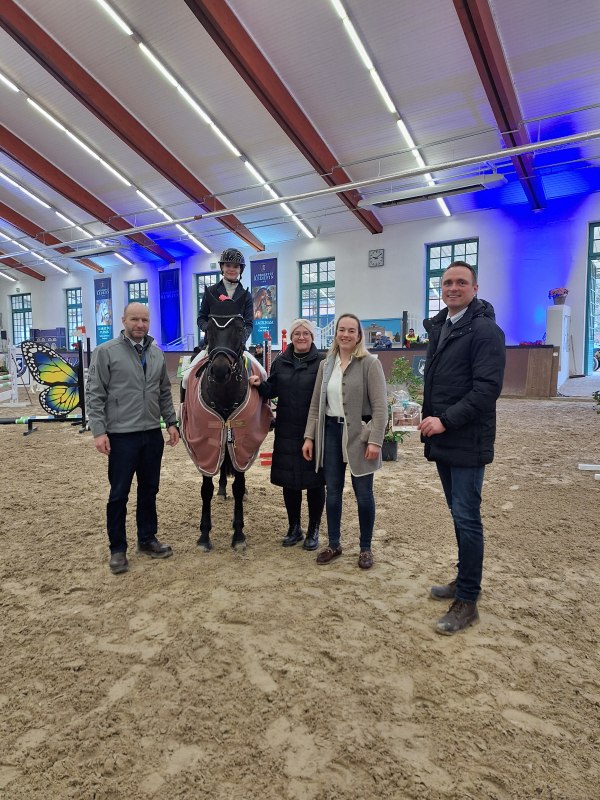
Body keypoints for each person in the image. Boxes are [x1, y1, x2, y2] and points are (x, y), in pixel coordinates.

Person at [418, 261, 505, 634]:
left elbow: (486, 390)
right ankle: (463, 578)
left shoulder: (485, 331)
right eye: (447, 282)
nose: (453, 287)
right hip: (445, 439)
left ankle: (467, 599)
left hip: (467, 438)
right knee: (458, 514)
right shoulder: (443, 327)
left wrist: (445, 420)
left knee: (468, 518)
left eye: (461, 282)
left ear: (474, 287)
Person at [87, 302, 180, 575]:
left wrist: (171, 423)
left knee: (149, 490)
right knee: (119, 494)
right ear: (123, 320)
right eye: (135, 319)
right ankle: (118, 549)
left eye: (144, 320)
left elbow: (164, 391)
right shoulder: (105, 353)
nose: (140, 325)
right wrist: (99, 431)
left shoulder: (156, 354)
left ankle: (147, 538)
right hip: (121, 435)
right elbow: (95, 394)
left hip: (151, 433)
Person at [302, 314, 387, 569]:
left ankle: (365, 548)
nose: (346, 334)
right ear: (336, 333)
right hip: (329, 431)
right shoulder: (325, 364)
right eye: (342, 330)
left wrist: (375, 440)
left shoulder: (370, 364)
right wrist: (309, 436)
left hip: (358, 436)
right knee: (333, 492)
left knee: (363, 494)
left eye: (351, 330)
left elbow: (381, 408)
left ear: (359, 335)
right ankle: (334, 543)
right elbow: (317, 404)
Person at [249, 319, 325, 550]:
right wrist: (259, 384)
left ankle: (313, 529)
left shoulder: (323, 362)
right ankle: (294, 528)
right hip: (287, 430)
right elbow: (272, 390)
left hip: (314, 430)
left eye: (305, 334)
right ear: (291, 337)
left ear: (312, 337)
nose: (301, 337)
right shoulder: (281, 361)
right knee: (289, 482)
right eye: (297, 334)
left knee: (315, 482)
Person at [197, 248, 253, 342]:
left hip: (235, 344)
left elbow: (249, 323)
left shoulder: (246, 295)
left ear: (240, 269)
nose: (231, 269)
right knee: (195, 357)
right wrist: (208, 328)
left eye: (235, 266)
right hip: (212, 342)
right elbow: (201, 318)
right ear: (222, 267)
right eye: (228, 265)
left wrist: (243, 337)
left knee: (251, 358)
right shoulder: (210, 291)